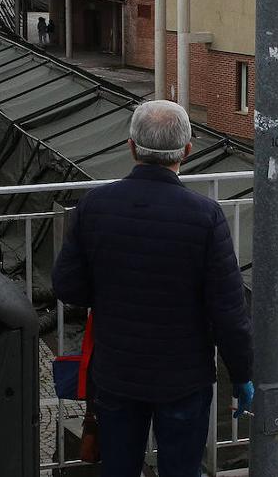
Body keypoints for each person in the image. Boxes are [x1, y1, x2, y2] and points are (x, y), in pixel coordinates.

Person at [53, 100, 254, 477]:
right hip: (183, 376)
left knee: (119, 468)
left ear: (131, 147)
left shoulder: (94, 205)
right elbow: (228, 311)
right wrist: (242, 374)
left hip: (116, 371)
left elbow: (67, 286)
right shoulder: (205, 216)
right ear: (187, 151)